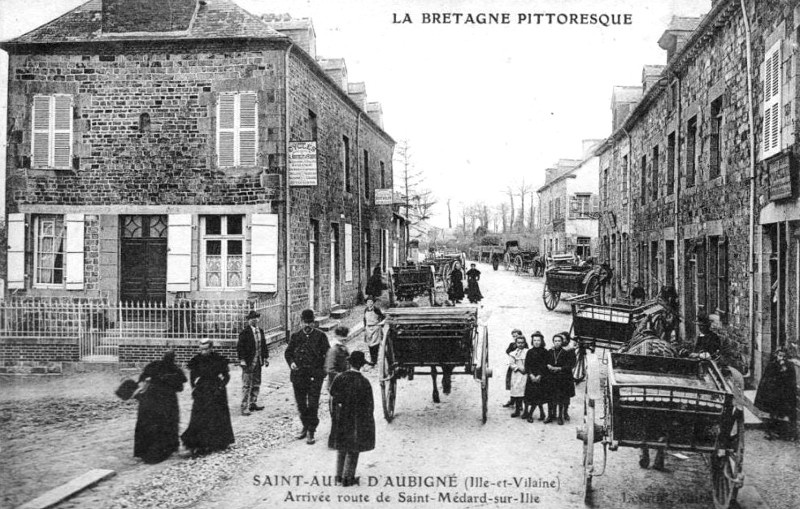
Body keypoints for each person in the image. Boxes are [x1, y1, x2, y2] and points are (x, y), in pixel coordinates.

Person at [329, 351, 376, 486]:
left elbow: (333, 395)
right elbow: (369, 406)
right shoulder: (364, 382)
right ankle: (348, 478)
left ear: (349, 363)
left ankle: (338, 476)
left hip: (341, 417)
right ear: (361, 365)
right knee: (353, 448)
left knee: (341, 446)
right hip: (357, 420)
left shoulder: (339, 377)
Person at [181, 339, 235, 455]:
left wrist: (221, 386)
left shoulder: (218, 359)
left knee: (217, 415)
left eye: (206, 349)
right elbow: (192, 377)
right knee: (200, 416)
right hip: (202, 390)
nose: (203, 352)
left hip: (216, 390)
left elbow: (226, 376)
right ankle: (200, 444)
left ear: (211, 348)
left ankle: (218, 442)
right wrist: (194, 388)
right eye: (201, 349)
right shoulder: (196, 360)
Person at [286, 309, 331, 445]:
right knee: (301, 404)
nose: (307, 325)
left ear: (314, 323)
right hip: (299, 376)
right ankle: (305, 426)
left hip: (314, 376)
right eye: (305, 322)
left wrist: (322, 373)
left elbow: (327, 355)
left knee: (312, 404)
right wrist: (292, 363)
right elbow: (288, 353)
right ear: (301, 322)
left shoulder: (321, 336)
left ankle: (311, 430)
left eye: (310, 323)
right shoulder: (295, 336)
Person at [133, 350, 186, 463]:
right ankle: (165, 449)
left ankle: (143, 451)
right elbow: (180, 388)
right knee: (167, 423)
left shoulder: (153, 366)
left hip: (150, 399)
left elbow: (142, 379)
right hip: (166, 401)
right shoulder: (175, 370)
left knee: (149, 424)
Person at [755, 348, 797, 440]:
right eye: (780, 356)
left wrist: (784, 370)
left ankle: (785, 434)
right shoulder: (772, 365)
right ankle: (771, 432)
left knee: (785, 414)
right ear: (776, 356)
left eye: (784, 356)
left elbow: (791, 381)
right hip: (774, 394)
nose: (781, 358)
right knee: (773, 413)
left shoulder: (789, 366)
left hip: (785, 395)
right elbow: (767, 379)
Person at [237, 310, 270, 416]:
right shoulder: (244, 332)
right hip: (248, 362)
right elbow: (240, 348)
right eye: (252, 319)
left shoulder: (260, 331)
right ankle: (244, 407)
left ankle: (253, 403)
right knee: (246, 385)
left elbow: (264, 345)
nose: (254, 320)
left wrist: (265, 358)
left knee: (256, 383)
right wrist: (242, 360)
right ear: (248, 320)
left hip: (258, 361)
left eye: (256, 318)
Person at [544, 333, 575, 425]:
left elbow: (569, 365)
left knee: (560, 397)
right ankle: (550, 415)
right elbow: (546, 361)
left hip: (561, 378)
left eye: (559, 341)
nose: (557, 343)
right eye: (555, 341)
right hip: (551, 377)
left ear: (562, 342)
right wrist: (548, 365)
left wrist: (559, 368)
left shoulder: (566, 352)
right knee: (550, 397)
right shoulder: (550, 351)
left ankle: (560, 416)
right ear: (553, 342)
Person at [524, 332, 548, 423]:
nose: (536, 342)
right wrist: (530, 374)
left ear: (542, 341)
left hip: (541, 378)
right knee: (533, 396)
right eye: (534, 340)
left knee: (538, 396)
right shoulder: (530, 352)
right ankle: (542, 413)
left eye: (538, 340)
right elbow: (527, 365)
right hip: (531, 377)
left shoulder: (545, 352)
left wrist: (539, 375)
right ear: (532, 341)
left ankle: (530, 415)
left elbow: (545, 365)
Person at [502, 330, 527, 408]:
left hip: (523, 367)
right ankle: (512, 400)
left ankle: (520, 403)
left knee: (522, 385)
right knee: (513, 384)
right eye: (514, 336)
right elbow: (508, 351)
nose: (515, 337)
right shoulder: (512, 345)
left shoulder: (524, 345)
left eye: (516, 335)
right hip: (514, 367)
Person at [508, 335, 529, 418]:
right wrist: (519, 368)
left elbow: (531, 361)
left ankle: (526, 410)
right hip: (517, 374)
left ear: (525, 343)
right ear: (516, 343)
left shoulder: (528, 352)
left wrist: (526, 369)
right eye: (518, 343)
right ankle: (517, 410)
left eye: (522, 343)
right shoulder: (512, 353)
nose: (520, 344)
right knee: (517, 392)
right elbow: (511, 364)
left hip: (526, 374)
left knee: (525, 392)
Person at [325, 326, 350, 391]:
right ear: (337, 338)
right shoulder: (333, 350)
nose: (344, 342)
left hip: (344, 383)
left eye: (345, 340)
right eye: (342, 340)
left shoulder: (344, 348)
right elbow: (330, 369)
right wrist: (343, 376)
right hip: (335, 384)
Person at [363, 297, 386, 366]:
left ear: (373, 303)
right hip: (368, 329)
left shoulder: (376, 309)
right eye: (368, 302)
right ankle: (372, 359)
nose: (369, 303)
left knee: (375, 345)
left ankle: (374, 360)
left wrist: (380, 324)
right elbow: (364, 319)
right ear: (366, 303)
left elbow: (383, 317)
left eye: (371, 302)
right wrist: (365, 327)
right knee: (370, 344)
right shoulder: (365, 310)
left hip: (375, 328)